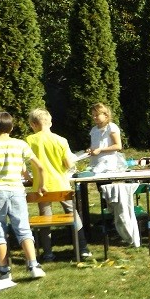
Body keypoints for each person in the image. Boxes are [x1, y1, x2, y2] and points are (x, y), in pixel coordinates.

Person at [0, 111, 47, 281]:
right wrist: (41, 185)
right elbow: (40, 167)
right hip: (16, 191)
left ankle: (4, 270)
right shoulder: (20, 144)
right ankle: (33, 265)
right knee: (23, 227)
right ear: (12, 127)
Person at [26, 108, 92, 261]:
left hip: (41, 186)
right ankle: (82, 248)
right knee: (73, 215)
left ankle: (48, 252)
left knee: (44, 218)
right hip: (61, 184)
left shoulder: (29, 140)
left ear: (33, 124)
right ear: (50, 122)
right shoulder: (61, 140)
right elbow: (68, 164)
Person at [86, 103, 124, 173]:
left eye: (97, 115)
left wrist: (100, 150)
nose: (94, 117)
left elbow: (118, 146)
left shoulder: (111, 127)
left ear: (106, 115)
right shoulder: (94, 129)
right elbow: (95, 145)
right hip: (95, 164)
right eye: (93, 115)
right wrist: (90, 149)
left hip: (107, 165)